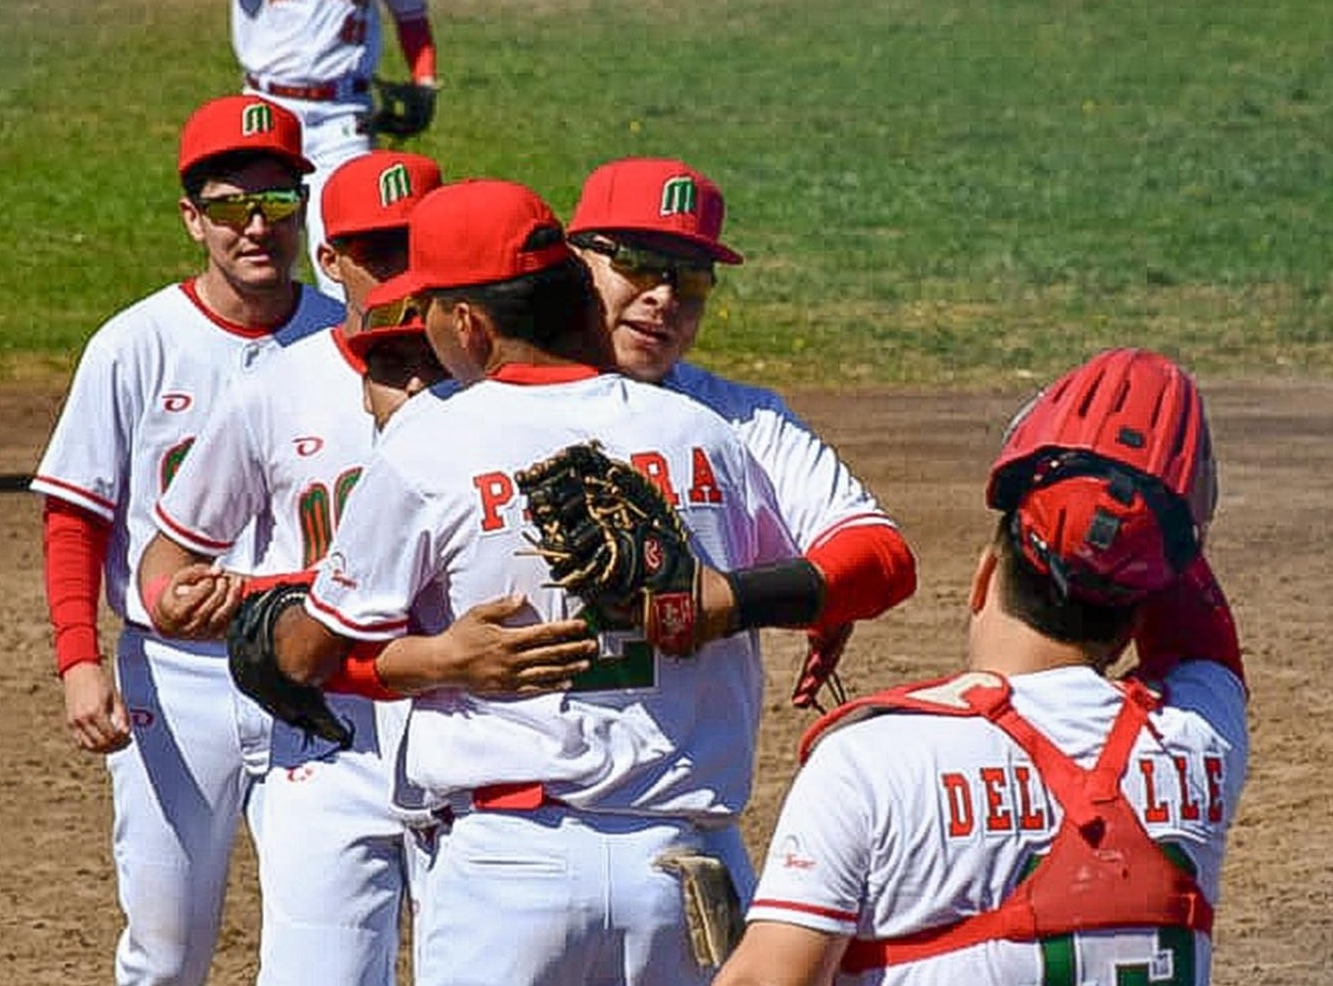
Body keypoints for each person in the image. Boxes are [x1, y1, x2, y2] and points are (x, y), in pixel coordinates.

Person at [246, 177, 807, 986]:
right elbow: (793, 583)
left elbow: (308, 655)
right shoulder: (704, 437)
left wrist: (281, 623)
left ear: (467, 324)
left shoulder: (429, 443)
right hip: (685, 862)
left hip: (509, 873)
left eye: (429, 308)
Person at [712, 348, 1251, 986]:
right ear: (1138, 614)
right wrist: (1142, 515)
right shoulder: (1202, 737)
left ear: (984, 574)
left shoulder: (871, 765)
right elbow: (1203, 640)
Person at [29, 94, 342, 986]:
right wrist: (79, 660)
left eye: (276, 203)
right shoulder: (135, 345)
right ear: (192, 218)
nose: (257, 227)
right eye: (231, 206)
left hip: (315, 672)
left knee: (322, 952)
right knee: (165, 955)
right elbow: (76, 513)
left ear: (303, 211)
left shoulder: (341, 343)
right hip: (176, 681)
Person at [138, 149, 446, 986]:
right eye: (376, 252)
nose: (399, 271)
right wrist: (173, 599)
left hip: (463, 736)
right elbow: (169, 554)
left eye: (415, 247)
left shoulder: (494, 386)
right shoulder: (278, 390)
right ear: (331, 260)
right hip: (323, 738)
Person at [567, 157, 915, 710]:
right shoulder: (480, 408)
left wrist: (756, 599)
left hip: (690, 764)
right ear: (576, 262)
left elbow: (883, 558)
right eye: (637, 262)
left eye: (691, 278)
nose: (664, 296)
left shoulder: (742, 418)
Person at [234, 0, 439, 302]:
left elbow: (410, 13)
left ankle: (351, 328)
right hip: (266, 109)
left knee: (347, 246)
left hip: (343, 113)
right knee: (264, 247)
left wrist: (424, 80)